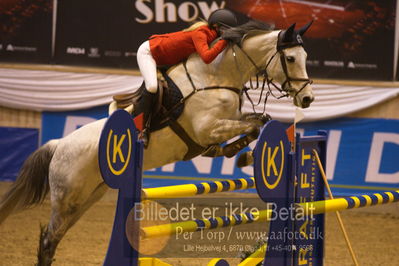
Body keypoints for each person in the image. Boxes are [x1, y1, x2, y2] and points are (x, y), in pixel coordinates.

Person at [135, 8, 238, 146]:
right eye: (226, 30)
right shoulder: (201, 33)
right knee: (152, 87)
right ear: (216, 26)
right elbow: (207, 57)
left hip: (165, 59)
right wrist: (224, 41)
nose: (227, 34)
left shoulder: (212, 37)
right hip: (149, 53)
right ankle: (138, 130)